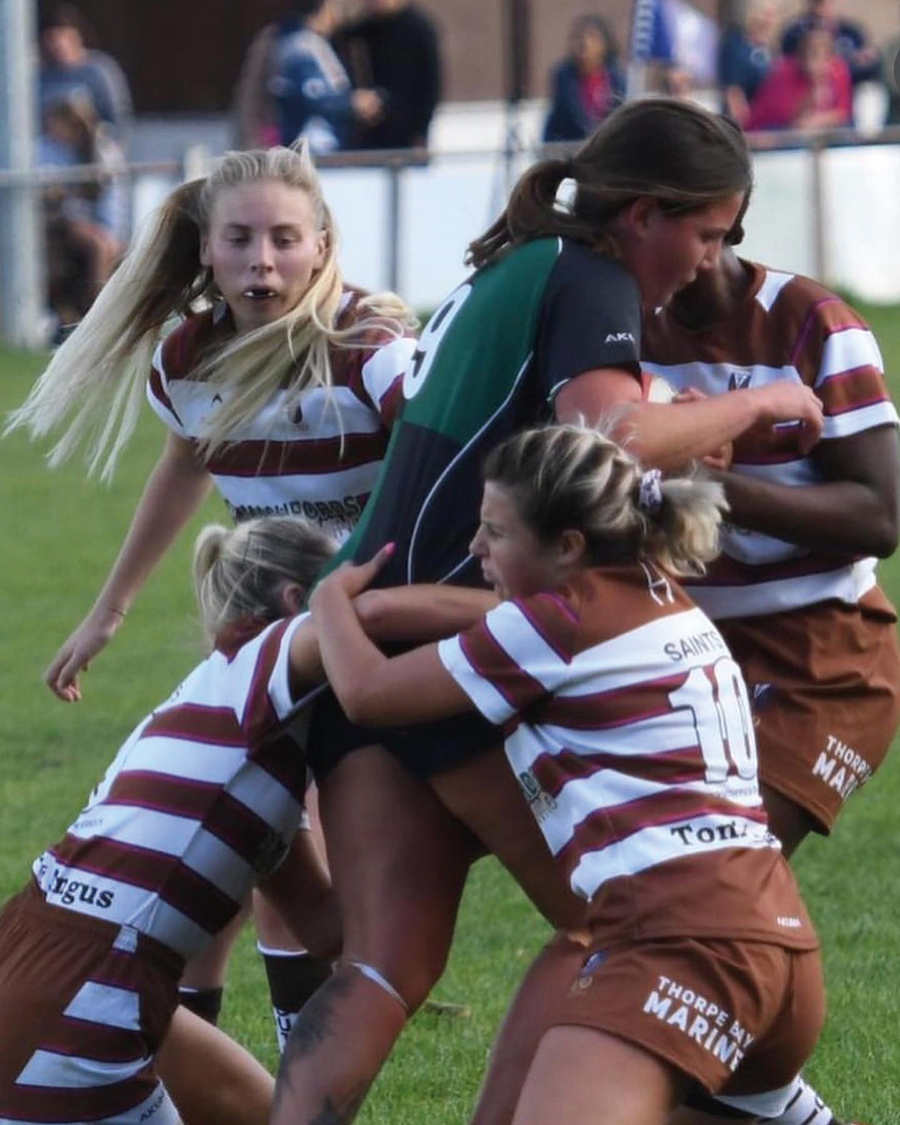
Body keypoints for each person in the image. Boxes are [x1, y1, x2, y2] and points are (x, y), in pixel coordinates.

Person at [269, 99, 825, 1124]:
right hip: (451, 652)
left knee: (385, 966)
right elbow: (613, 434)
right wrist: (755, 404)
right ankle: (784, 1109)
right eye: (708, 233)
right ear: (646, 214)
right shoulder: (589, 275)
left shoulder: (516, 265)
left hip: (360, 630)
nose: (709, 263)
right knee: (633, 929)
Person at [6, 142, 416, 1047]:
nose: (262, 260)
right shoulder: (186, 360)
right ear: (206, 250)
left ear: (321, 244)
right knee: (225, 851)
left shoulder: (371, 346)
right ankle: (197, 1057)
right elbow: (184, 461)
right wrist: (107, 611)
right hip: (260, 638)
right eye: (239, 240)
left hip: (371, 639)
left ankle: (298, 1066)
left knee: (277, 833)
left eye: (282, 238)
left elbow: (437, 448)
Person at [310, 423, 825, 1125]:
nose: (474, 547)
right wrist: (388, 607)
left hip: (677, 942)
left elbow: (368, 693)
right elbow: (499, 616)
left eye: (494, 531)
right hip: (776, 944)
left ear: (568, 546)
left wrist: (328, 603)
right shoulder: (654, 587)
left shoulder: (556, 624)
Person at [0, 515, 337, 1125]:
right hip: (89, 989)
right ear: (296, 601)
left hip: (45, 959)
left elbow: (329, 928)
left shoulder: (241, 737)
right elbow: (375, 636)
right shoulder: (267, 658)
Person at [39, 96, 125, 330]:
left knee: (110, 246)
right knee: (99, 247)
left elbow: (102, 195)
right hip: (62, 222)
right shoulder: (47, 148)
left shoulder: (100, 147)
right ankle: (99, 318)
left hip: (97, 222)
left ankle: (109, 314)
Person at [270, 0, 384, 153]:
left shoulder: (316, 43)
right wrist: (352, 103)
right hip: (313, 145)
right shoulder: (300, 47)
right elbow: (314, 95)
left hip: (325, 146)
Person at [335, 0, 441, 149]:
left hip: (408, 124)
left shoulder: (419, 29)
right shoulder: (372, 26)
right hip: (376, 119)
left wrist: (421, 130)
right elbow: (342, 36)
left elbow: (431, 84)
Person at [39, 4, 132, 146]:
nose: (59, 45)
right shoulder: (42, 78)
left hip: (92, 152)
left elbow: (118, 118)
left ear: (78, 36)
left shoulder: (99, 71)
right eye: (52, 39)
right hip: (52, 156)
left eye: (65, 37)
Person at [745, 24, 853, 133]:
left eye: (819, 56)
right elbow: (792, 120)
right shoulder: (784, 72)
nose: (812, 63)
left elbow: (843, 112)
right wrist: (812, 91)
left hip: (816, 129)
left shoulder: (838, 70)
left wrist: (819, 120)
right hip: (770, 129)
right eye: (808, 55)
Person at [543, 15, 624, 143]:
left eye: (592, 37)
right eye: (579, 38)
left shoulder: (616, 80)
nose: (585, 44)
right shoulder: (564, 80)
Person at [780, 0, 882, 87]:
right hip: (807, 85)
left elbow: (866, 56)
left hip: (851, 83)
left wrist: (866, 58)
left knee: (871, 88)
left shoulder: (850, 30)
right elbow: (787, 65)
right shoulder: (795, 32)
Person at [719, 0, 777, 127]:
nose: (770, 20)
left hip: (768, 124)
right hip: (748, 126)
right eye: (767, 15)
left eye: (772, 15)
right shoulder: (736, 46)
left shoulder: (768, 48)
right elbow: (734, 93)